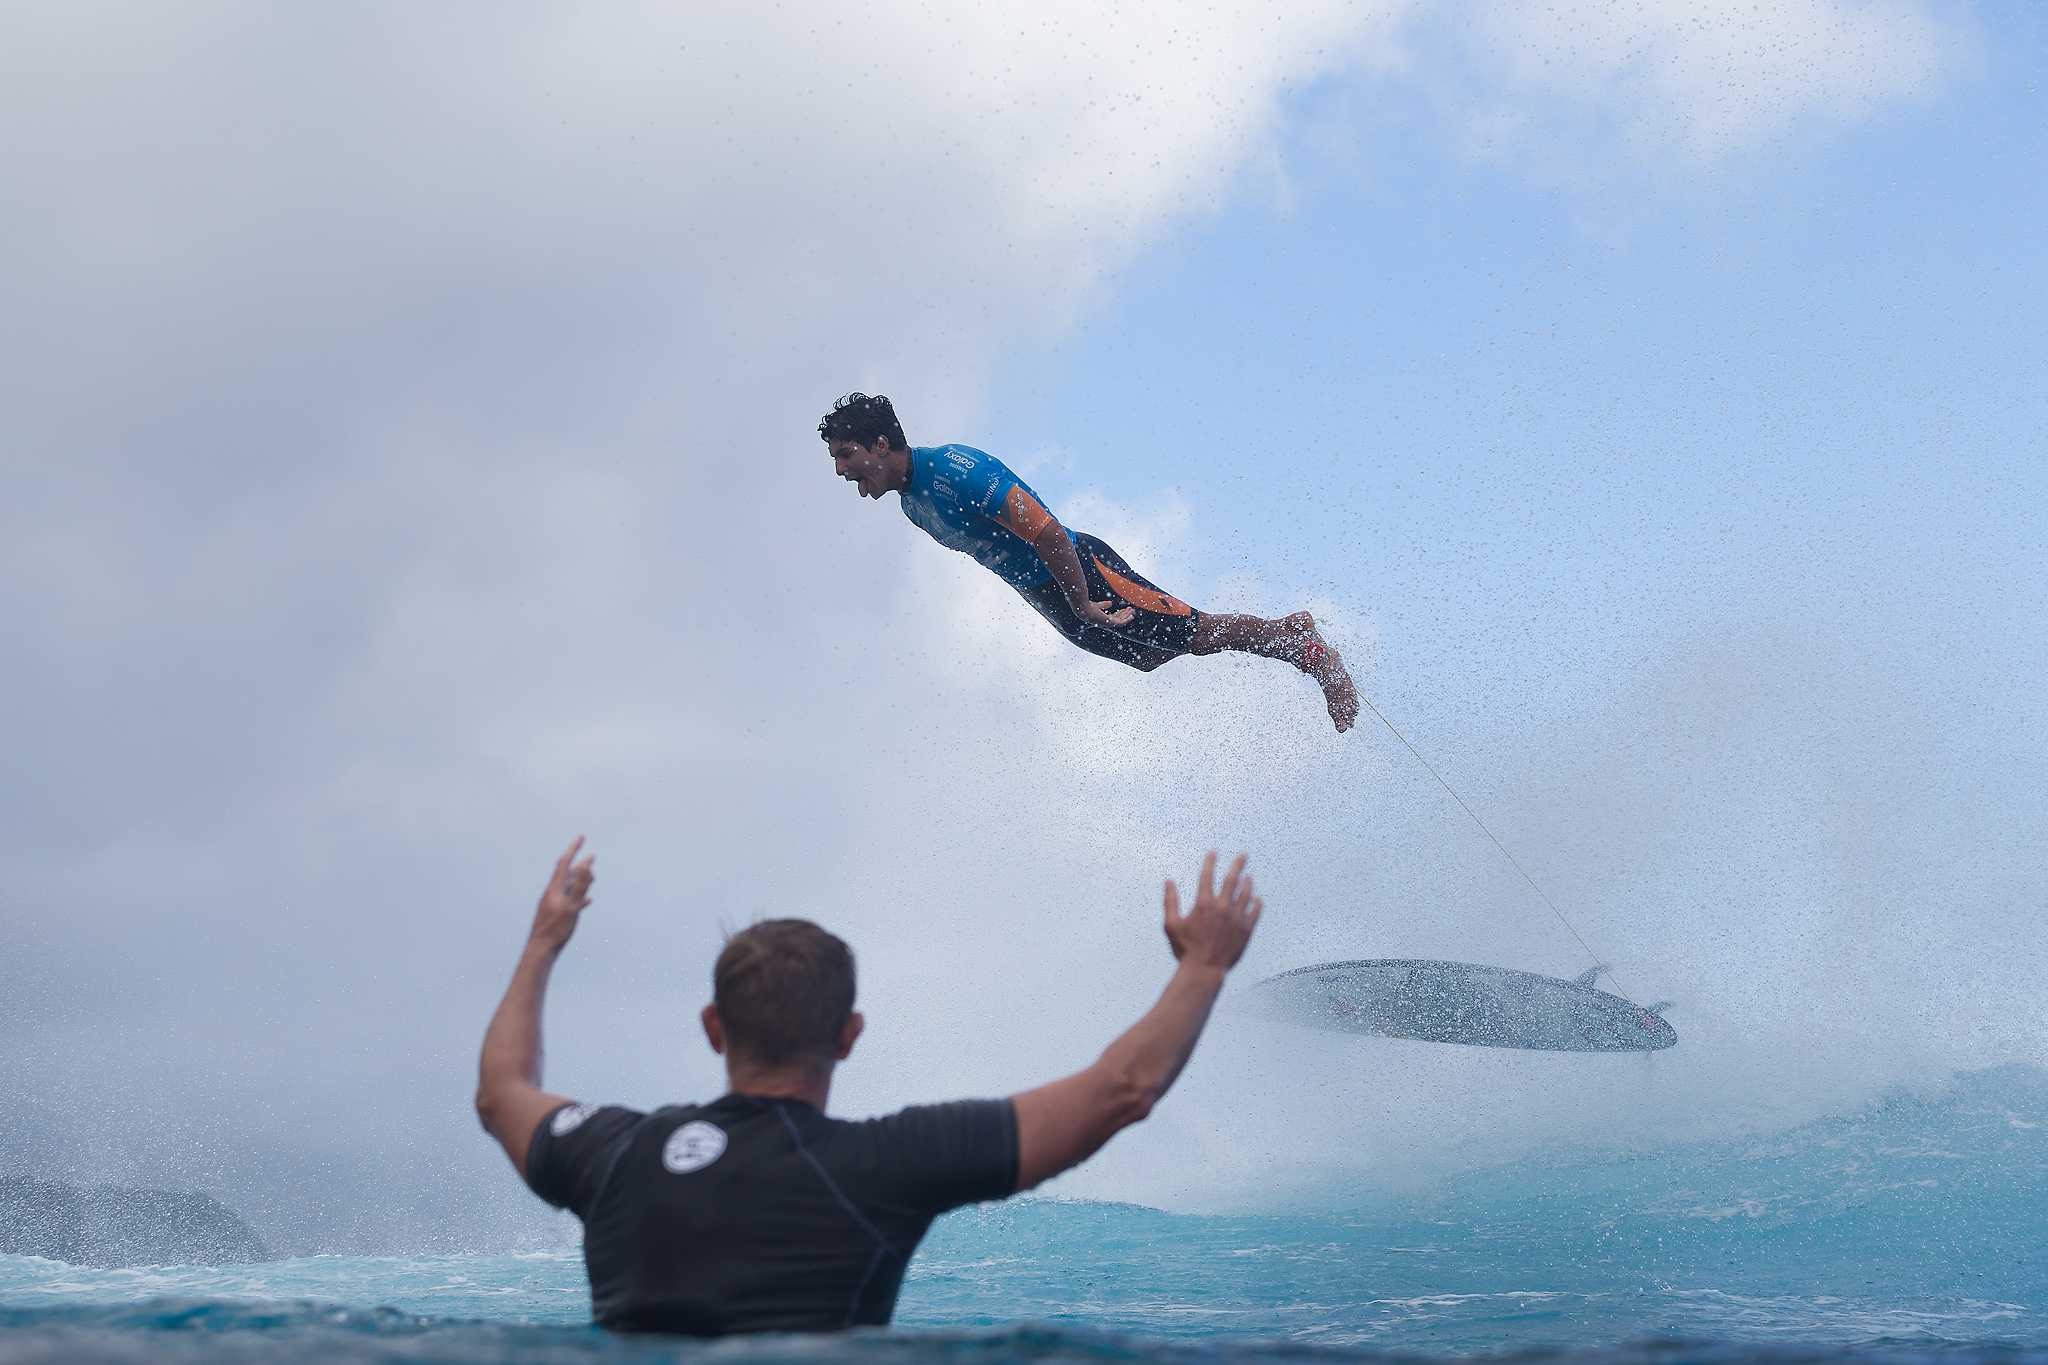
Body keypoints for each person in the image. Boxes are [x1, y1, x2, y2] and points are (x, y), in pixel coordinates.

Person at [474, 837, 1265, 1337]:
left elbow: (501, 1089)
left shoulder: (614, 1153)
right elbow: (1123, 1088)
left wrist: (546, 940)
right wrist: (1203, 965)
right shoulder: (887, 1163)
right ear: (850, 1035)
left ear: (714, 1028)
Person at [819, 393, 1361, 733]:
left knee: (1190, 633)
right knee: (1153, 657)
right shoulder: (911, 505)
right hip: (1053, 596)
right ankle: (1286, 635)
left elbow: (1049, 532)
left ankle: (1306, 649)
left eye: (846, 455)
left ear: (881, 443)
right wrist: (1066, 610)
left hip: (1080, 572)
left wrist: (1081, 599)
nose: (843, 471)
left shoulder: (955, 470)